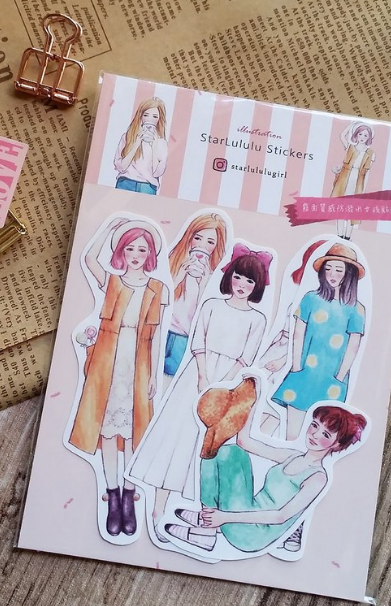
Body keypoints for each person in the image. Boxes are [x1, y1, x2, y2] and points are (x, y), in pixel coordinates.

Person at [128, 244, 271, 536]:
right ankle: (157, 509)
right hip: (196, 376)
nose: (241, 285)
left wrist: (222, 385)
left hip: (228, 385)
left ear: (257, 286)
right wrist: (204, 376)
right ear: (229, 276)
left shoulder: (257, 319)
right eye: (238, 277)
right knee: (177, 436)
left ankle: (197, 513)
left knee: (207, 445)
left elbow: (246, 358)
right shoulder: (212, 305)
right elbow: (199, 342)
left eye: (249, 280)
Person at [67, 217, 169, 537]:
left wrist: (153, 375)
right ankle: (112, 495)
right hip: (107, 362)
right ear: (121, 251)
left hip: (138, 363)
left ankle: (129, 497)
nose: (136, 255)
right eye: (130, 248)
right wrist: (110, 227)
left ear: (150, 254)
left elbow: (155, 335)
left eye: (142, 249)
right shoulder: (113, 281)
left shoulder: (157, 288)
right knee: (108, 431)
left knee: (136, 431)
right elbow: (88, 258)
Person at [165, 404, 367, 554]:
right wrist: (252, 400)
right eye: (314, 425)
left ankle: (209, 526)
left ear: (337, 444)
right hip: (245, 511)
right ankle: (207, 524)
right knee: (225, 451)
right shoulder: (293, 456)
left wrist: (224, 517)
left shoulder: (317, 478)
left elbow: (280, 516)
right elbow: (245, 442)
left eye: (325, 434)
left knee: (229, 454)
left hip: (254, 534)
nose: (314, 434)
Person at [265, 242, 366, 441]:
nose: (332, 274)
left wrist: (340, 376)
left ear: (349, 274)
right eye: (328, 269)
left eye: (339, 270)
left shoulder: (357, 309)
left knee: (321, 432)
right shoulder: (310, 299)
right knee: (292, 432)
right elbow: (298, 335)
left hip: (332, 379)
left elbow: (353, 346)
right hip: (303, 372)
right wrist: (296, 366)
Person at [164, 213, 228, 380]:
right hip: (161, 330)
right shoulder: (172, 263)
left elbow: (207, 318)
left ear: (217, 246)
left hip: (185, 339)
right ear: (189, 237)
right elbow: (157, 301)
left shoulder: (216, 279)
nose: (201, 245)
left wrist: (204, 285)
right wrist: (177, 279)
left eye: (210, 242)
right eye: (197, 238)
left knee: (172, 378)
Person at [330, 122, 376, 239]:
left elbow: (367, 173)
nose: (362, 137)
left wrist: (363, 190)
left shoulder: (370, 153)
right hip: (344, 180)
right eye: (360, 134)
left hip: (357, 182)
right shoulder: (350, 147)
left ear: (369, 138)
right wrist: (351, 124)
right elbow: (342, 136)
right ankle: (339, 235)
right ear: (356, 134)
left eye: (365, 135)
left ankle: (347, 236)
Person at [114, 98, 168, 195]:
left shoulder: (161, 143)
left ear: (159, 119)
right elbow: (121, 167)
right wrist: (136, 145)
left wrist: (154, 147)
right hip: (126, 182)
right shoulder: (127, 137)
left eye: (155, 116)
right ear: (140, 116)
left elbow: (157, 173)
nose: (150, 119)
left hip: (147, 186)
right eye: (146, 115)